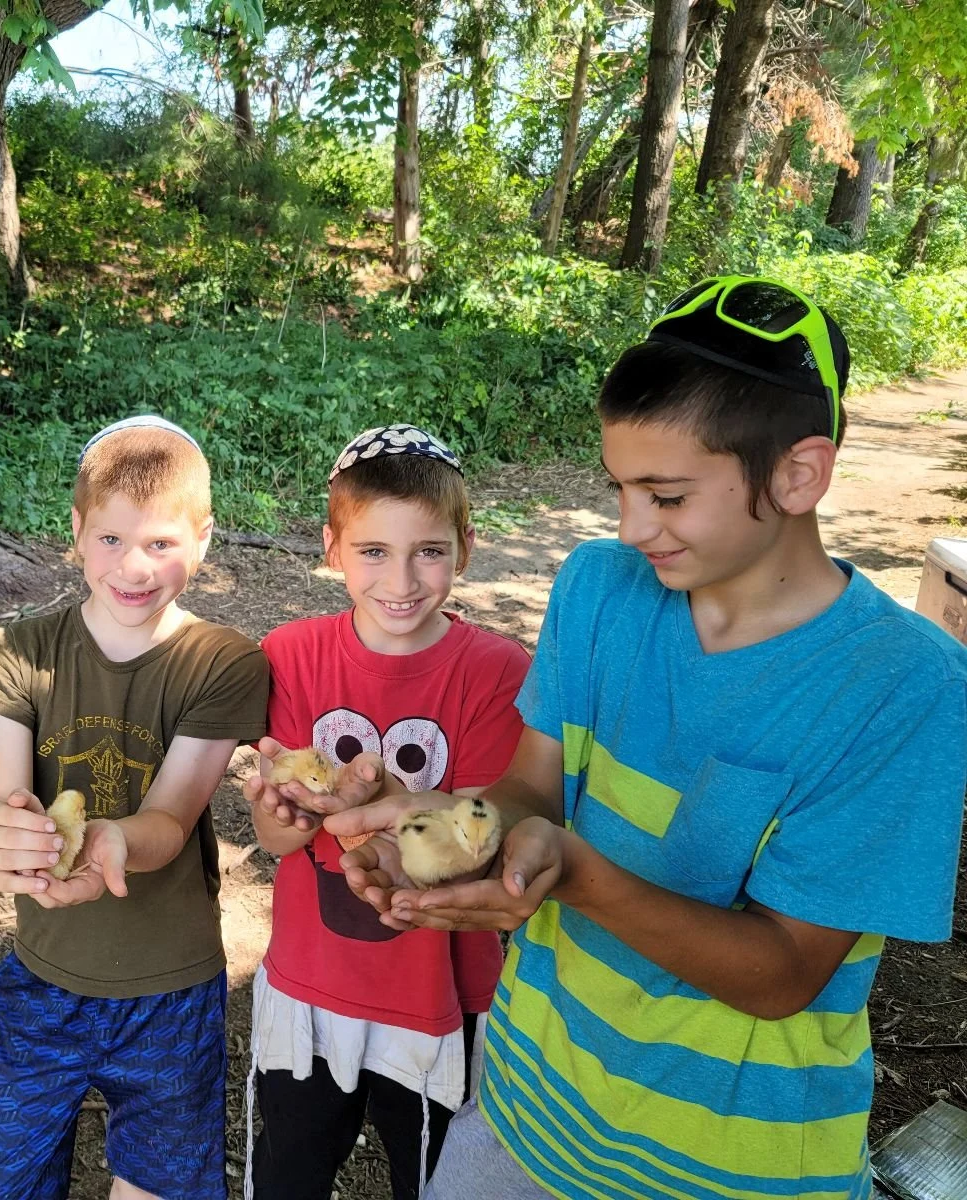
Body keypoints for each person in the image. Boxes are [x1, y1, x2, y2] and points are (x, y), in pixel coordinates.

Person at [328, 276, 967, 1200]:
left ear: (798, 474)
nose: (631, 528)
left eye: (665, 496)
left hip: (731, 1166)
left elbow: (784, 973)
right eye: (621, 489)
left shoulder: (900, 685)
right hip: (525, 1108)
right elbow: (531, 791)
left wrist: (574, 875)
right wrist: (446, 831)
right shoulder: (599, 588)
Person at [0, 416, 271, 1200]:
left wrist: (109, 841)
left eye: (161, 543)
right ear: (76, 531)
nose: (133, 566)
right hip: (43, 984)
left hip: (170, 993)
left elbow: (170, 820)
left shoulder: (222, 663)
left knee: (159, 1185)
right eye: (111, 539)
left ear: (203, 539)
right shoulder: (15, 654)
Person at [243, 424, 530, 1200]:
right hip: (312, 986)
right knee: (290, 1169)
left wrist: (379, 807)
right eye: (373, 551)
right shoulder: (291, 655)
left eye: (428, 551)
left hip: (438, 1000)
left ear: (465, 547)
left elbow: (485, 840)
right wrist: (287, 811)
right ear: (331, 547)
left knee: (430, 1177)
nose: (401, 579)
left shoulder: (498, 672)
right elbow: (276, 839)